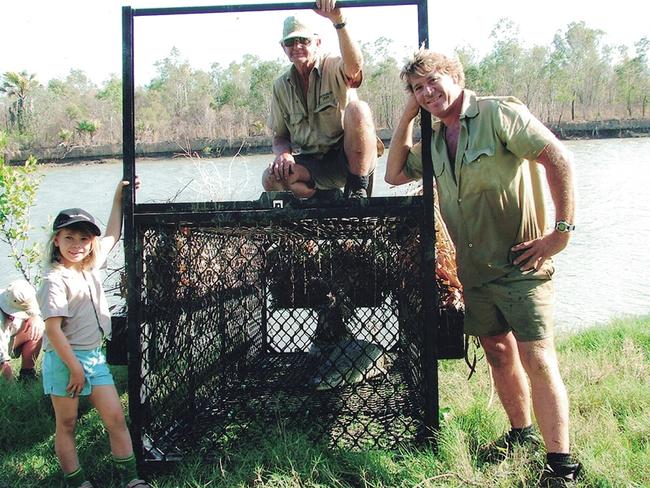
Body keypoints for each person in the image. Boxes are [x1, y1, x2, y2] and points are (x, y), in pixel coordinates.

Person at [385, 48, 580, 486]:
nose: (428, 92)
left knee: (537, 356)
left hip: (522, 263)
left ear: (455, 75)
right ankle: (520, 434)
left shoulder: (498, 114)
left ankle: (561, 465)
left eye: (433, 81)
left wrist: (561, 231)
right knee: (496, 349)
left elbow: (558, 159)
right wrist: (407, 116)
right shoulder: (434, 141)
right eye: (417, 89)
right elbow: (393, 174)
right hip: (474, 272)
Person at [37, 179, 150, 488]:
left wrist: (119, 196)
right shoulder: (54, 279)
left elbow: (113, 233)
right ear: (56, 241)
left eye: (84, 238)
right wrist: (74, 367)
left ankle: (130, 480)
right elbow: (52, 330)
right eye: (69, 237)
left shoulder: (89, 268)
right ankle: (78, 482)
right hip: (64, 361)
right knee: (68, 423)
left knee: (115, 418)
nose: (77, 245)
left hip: (94, 359)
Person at [262, 0, 381, 199]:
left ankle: (357, 189)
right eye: (290, 42)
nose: (297, 46)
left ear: (317, 43)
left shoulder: (333, 65)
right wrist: (283, 154)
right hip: (313, 163)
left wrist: (339, 21)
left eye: (303, 40)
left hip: (349, 160)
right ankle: (325, 199)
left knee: (359, 109)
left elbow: (354, 67)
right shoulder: (280, 85)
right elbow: (280, 136)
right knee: (271, 178)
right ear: (283, 47)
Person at [0, 279, 44, 382]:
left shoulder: (10, 296)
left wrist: (34, 317)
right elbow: (1, 360)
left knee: (38, 328)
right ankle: (12, 385)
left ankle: (27, 375)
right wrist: (13, 389)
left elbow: (31, 310)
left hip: (9, 339)